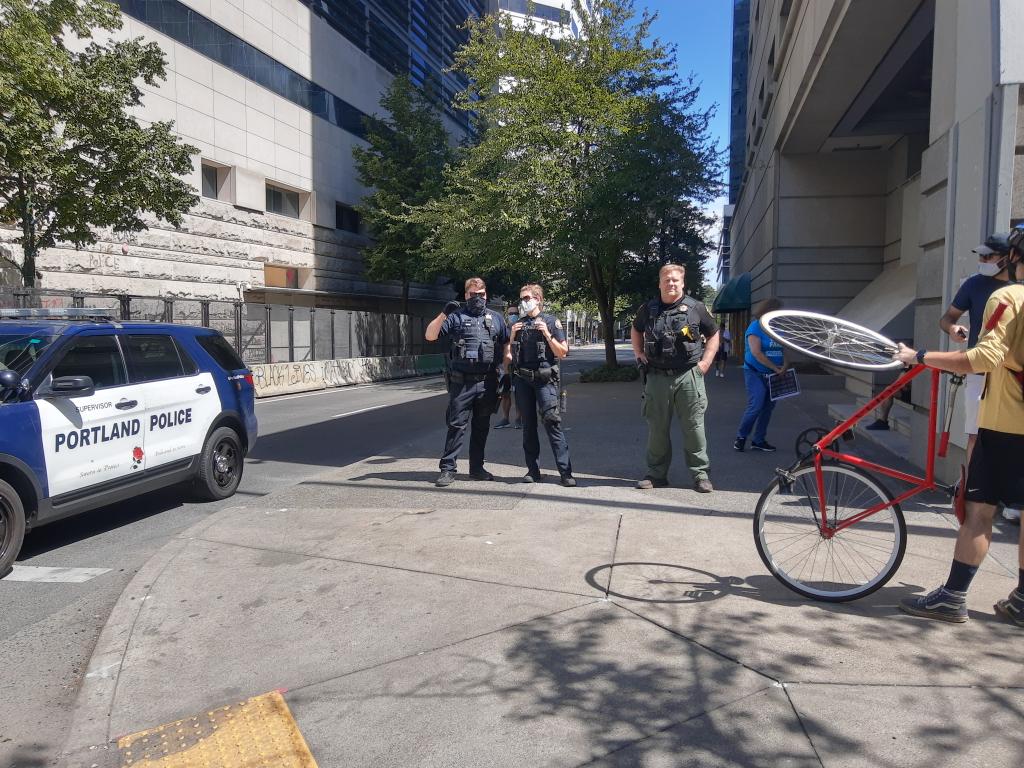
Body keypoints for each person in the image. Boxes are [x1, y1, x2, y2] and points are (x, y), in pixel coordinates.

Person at [894, 226, 1024, 626]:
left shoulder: (1008, 297)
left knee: (979, 510)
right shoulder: (983, 289)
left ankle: (951, 598)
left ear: (1013, 257)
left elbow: (983, 358)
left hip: (1007, 424)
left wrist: (920, 356)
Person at [938, 236, 1022, 523]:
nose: (983, 261)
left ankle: (1013, 498)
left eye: (988, 257)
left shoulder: (1014, 293)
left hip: (1013, 375)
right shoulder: (974, 284)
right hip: (979, 371)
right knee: (977, 433)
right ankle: (976, 493)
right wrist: (953, 329)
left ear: (1008, 257)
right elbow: (947, 318)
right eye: (981, 256)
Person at [631, 264, 720, 492]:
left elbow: (713, 334)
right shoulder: (648, 309)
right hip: (656, 377)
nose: (671, 283)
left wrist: (706, 363)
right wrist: (638, 353)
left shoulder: (696, 308)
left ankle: (700, 475)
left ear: (682, 283)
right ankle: (656, 474)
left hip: (688, 375)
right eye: (667, 280)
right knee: (657, 429)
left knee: (694, 428)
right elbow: (636, 329)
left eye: (675, 280)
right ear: (660, 283)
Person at [425, 277, 508, 487]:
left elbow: (506, 343)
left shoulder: (497, 318)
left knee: (481, 427)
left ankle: (477, 468)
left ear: (486, 295)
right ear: (466, 295)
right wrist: (444, 314)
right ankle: (447, 469)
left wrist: (506, 371)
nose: (477, 298)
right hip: (462, 383)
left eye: (481, 294)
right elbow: (430, 335)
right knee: (456, 426)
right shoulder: (456, 317)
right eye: (473, 294)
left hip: (488, 382)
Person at [505, 283, 575, 486]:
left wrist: (547, 334)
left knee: (552, 423)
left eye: (527, 298)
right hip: (523, 380)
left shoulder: (551, 321)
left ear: (538, 299)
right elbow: (509, 357)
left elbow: (562, 352)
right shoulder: (518, 324)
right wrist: (511, 336)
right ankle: (532, 470)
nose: (523, 302)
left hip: (545, 380)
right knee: (528, 426)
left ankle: (565, 473)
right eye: (522, 299)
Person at [733, 298, 787, 452]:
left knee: (768, 408)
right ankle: (741, 437)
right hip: (755, 372)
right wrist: (775, 368)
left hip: (774, 375)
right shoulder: (755, 327)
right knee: (756, 405)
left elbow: (785, 350)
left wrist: (784, 366)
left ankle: (759, 440)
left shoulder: (778, 329)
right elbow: (756, 353)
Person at [494, 310, 520, 430]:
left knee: (519, 394)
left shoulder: (522, 328)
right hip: (503, 367)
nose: (512, 315)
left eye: (515, 313)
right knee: (505, 394)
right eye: (510, 313)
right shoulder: (502, 329)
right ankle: (505, 419)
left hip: (518, 367)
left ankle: (519, 419)